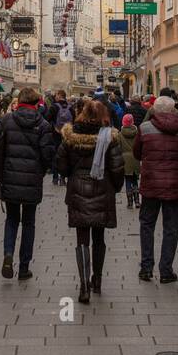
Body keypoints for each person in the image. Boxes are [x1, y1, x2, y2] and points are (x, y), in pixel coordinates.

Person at [55, 96, 124, 302]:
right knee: (99, 238)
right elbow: (117, 168)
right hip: (102, 189)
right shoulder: (110, 138)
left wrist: (71, 176)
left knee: (82, 238)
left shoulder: (70, 136)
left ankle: (84, 285)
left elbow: (60, 166)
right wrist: (116, 188)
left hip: (78, 190)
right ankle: (98, 280)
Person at [0, 85, 54, 280]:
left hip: (10, 177)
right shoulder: (43, 124)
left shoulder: (7, 120)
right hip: (32, 180)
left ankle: (8, 254)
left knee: (12, 219)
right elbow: (48, 155)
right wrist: (41, 170)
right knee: (29, 223)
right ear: (36, 103)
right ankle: (24, 267)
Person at [133, 95, 178, 284]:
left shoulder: (145, 128)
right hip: (174, 183)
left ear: (155, 110)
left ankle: (146, 268)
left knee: (147, 225)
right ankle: (166, 270)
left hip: (151, 183)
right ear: (173, 110)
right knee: (171, 228)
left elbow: (136, 153)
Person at [46, 91, 72, 183]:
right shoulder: (70, 107)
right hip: (67, 134)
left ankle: (55, 177)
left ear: (60, 95)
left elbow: (46, 119)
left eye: (56, 95)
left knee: (55, 155)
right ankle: (63, 177)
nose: (55, 96)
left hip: (56, 133)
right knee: (66, 155)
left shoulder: (54, 107)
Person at [119, 113, 140, 208]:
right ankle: (137, 201)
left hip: (125, 160)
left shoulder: (120, 134)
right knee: (135, 180)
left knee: (127, 180)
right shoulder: (137, 133)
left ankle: (130, 202)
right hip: (135, 159)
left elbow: (118, 148)